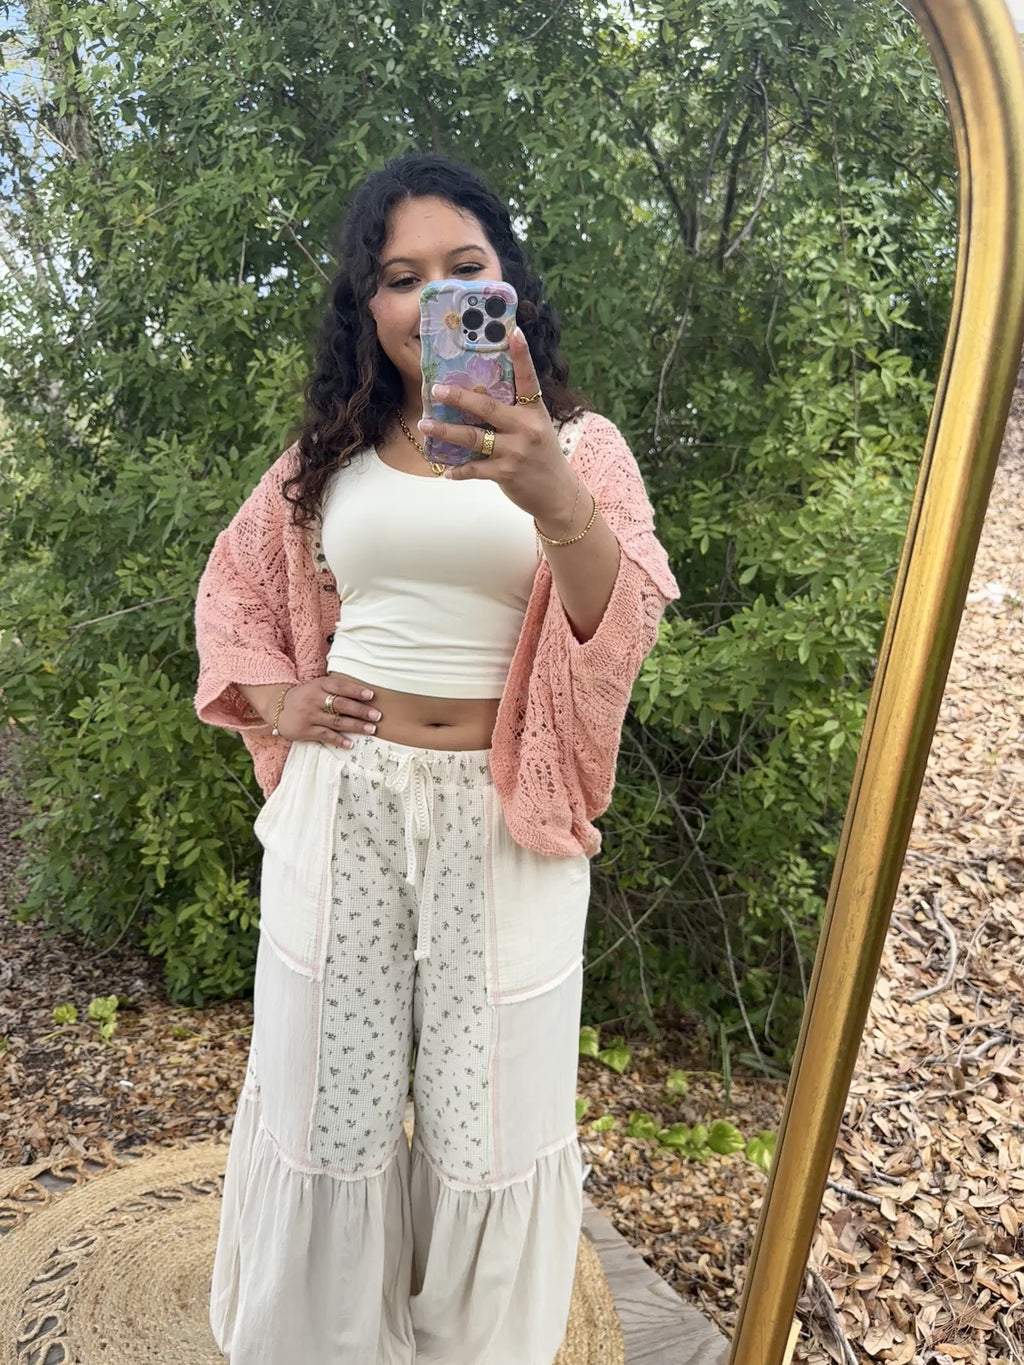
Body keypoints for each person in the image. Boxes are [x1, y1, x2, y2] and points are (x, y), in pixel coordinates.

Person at [194, 151, 679, 1365]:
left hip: (506, 817)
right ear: (368, 306)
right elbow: (233, 590)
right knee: (329, 1101)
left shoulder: (580, 448)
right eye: (400, 277)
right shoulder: (328, 456)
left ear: (504, 284)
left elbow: (619, 627)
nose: (430, 299)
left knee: (491, 1116)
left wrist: (552, 495)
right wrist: (280, 699)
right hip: (343, 803)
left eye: (462, 268)